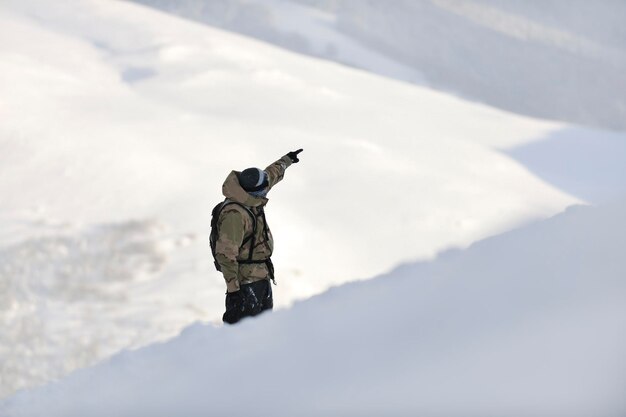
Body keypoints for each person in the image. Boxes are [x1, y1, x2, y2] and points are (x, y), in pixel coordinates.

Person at [214, 149, 303, 324]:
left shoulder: (250, 193)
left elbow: (271, 175)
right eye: (263, 191)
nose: (266, 192)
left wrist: (287, 160)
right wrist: (233, 291)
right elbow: (225, 254)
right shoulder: (235, 214)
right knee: (244, 336)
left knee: (264, 331)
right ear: (253, 193)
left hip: (262, 277)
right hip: (246, 284)